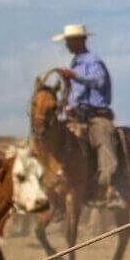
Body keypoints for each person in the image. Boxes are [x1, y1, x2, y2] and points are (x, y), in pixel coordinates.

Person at [51, 23, 121, 206]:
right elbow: (75, 93)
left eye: (69, 41)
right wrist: (66, 104)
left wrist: (74, 76)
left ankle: (111, 187)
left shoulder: (93, 61)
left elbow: (99, 81)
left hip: (96, 114)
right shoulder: (75, 63)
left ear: (80, 40)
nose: (66, 44)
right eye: (66, 41)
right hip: (78, 116)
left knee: (104, 140)